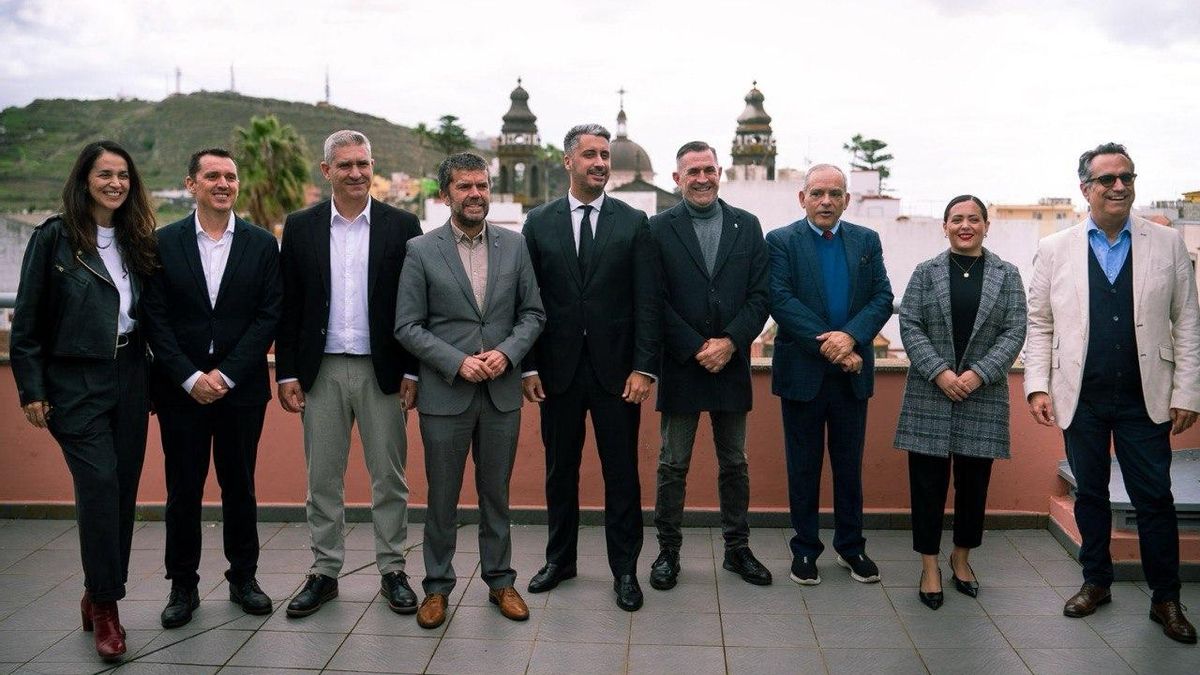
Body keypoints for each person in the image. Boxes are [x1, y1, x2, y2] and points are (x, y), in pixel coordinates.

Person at [1025, 143, 1200, 644]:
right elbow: (1040, 323)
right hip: (1080, 394)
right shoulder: (1056, 248)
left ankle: (1166, 597)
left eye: (1127, 176)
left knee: (1155, 499)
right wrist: (1038, 384)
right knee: (1092, 494)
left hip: (1147, 395)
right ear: (1086, 189)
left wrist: (1187, 390)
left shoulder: (1165, 245)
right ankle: (1096, 581)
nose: (1119, 186)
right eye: (1107, 179)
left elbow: (1187, 319)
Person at [11, 140, 158, 660]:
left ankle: (97, 591)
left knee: (121, 493)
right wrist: (32, 389)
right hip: (75, 383)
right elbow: (26, 320)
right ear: (84, 179)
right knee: (98, 485)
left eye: (123, 174)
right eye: (104, 174)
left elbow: (150, 317)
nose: (115, 182)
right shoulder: (55, 238)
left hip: (130, 376)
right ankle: (107, 608)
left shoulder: (138, 240)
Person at [275, 130, 423, 618]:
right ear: (327, 171)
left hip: (383, 371)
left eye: (363, 164)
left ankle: (393, 570)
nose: (356, 173)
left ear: (372, 166)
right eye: (345, 165)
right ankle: (324, 572)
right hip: (322, 372)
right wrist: (287, 372)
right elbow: (289, 304)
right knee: (323, 479)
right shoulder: (300, 227)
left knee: (389, 479)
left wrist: (413, 371)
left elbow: (414, 304)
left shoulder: (403, 225)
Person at [395, 152, 545, 629]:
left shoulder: (515, 246)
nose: (475, 194)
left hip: (501, 393)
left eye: (481, 185)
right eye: (464, 187)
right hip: (446, 393)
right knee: (442, 496)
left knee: (495, 494)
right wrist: (457, 362)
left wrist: (507, 355)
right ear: (446, 196)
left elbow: (534, 315)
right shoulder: (421, 250)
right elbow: (407, 325)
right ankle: (437, 588)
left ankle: (500, 581)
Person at [520, 123, 661, 612]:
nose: (600, 162)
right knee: (561, 471)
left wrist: (645, 368)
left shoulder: (632, 222)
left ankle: (625, 570)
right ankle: (560, 560)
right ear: (568, 162)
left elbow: (648, 301)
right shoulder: (538, 223)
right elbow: (528, 301)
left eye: (605, 155)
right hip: (556, 373)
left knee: (621, 473)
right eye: (590, 155)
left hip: (617, 374)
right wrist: (529, 366)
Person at [141, 148, 282, 627]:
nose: (223, 183)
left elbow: (268, 316)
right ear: (191, 184)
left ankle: (244, 578)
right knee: (183, 489)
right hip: (180, 392)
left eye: (231, 176)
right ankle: (183, 586)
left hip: (239, 391)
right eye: (213, 176)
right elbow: (154, 318)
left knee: (239, 485)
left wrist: (225, 375)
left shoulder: (263, 244)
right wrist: (189, 377)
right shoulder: (163, 243)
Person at [645, 141, 772, 590]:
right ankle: (667, 553)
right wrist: (698, 346)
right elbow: (652, 299)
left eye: (709, 170)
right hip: (682, 364)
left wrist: (731, 342)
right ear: (676, 178)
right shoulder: (657, 228)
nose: (702, 179)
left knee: (734, 462)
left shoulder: (747, 224)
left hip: (732, 363)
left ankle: (737, 551)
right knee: (672, 464)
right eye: (692, 172)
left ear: (721, 172)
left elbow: (761, 295)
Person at [894, 195, 1026, 610]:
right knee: (927, 486)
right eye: (956, 219)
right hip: (930, 393)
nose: (964, 226)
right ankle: (929, 565)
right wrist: (941, 372)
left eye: (973, 219)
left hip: (981, 395)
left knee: (973, 486)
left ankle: (962, 557)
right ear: (945, 225)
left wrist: (976, 374)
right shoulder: (925, 272)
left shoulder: (1007, 275)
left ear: (987, 225)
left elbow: (1015, 329)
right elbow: (910, 324)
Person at [766, 163, 893, 586]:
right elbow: (780, 300)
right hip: (804, 373)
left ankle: (851, 547)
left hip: (851, 376)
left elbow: (882, 297)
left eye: (835, 194)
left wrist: (852, 336)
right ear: (802, 198)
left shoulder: (865, 241)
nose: (826, 201)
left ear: (846, 200)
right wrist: (834, 348)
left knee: (848, 466)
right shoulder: (781, 241)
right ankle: (804, 551)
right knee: (802, 467)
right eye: (817, 193)